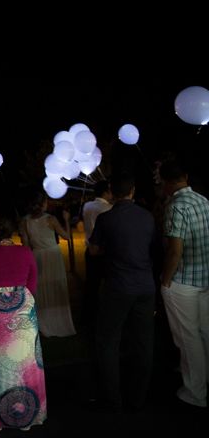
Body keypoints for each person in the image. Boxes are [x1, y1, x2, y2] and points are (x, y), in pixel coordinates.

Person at [0, 211, 45, 431]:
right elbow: (32, 284)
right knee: (26, 361)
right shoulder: (25, 251)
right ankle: (26, 418)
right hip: (23, 306)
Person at [89, 172, 158, 412]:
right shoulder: (148, 217)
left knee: (108, 340)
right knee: (143, 341)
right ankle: (138, 397)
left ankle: (113, 398)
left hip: (118, 286)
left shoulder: (106, 219)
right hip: (145, 286)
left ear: (112, 192)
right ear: (133, 191)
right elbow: (152, 248)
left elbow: (94, 251)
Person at [159, 159, 209, 408]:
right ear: (185, 176)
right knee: (203, 333)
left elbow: (174, 250)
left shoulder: (176, 206)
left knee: (188, 338)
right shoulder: (203, 200)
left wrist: (165, 280)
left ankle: (196, 392)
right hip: (204, 278)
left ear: (166, 183)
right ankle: (203, 381)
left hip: (184, 282)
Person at [20, 190, 76, 337]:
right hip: (52, 256)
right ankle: (58, 323)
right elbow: (67, 236)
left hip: (36, 256)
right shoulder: (51, 219)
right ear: (42, 203)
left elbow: (25, 246)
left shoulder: (25, 221)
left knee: (41, 289)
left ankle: (44, 324)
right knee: (56, 287)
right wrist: (66, 220)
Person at [81, 180, 113, 329]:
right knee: (107, 284)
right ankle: (104, 315)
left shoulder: (87, 206)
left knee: (91, 285)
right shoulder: (108, 208)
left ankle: (89, 315)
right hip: (104, 251)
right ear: (106, 192)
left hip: (90, 250)